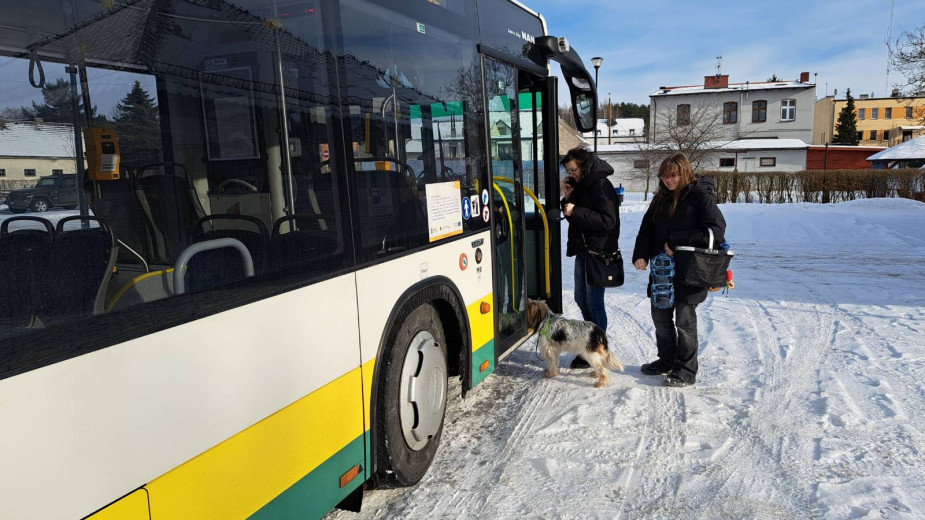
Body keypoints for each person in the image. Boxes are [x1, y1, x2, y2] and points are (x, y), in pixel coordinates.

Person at [632, 153, 726, 387]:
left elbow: (714, 232)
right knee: (660, 318)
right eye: (664, 177)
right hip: (662, 271)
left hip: (690, 272)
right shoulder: (660, 199)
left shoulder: (700, 197)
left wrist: (677, 241)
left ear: (684, 173)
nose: (668, 181)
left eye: (673, 176)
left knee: (684, 322)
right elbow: (646, 230)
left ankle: (686, 370)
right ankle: (667, 360)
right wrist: (640, 254)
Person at [560, 146, 620, 369]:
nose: (572, 174)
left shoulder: (601, 185)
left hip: (599, 252)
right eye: (569, 170)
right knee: (580, 298)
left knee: (594, 302)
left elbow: (608, 221)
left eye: (574, 170)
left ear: (585, 165)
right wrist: (568, 198)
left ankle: (597, 349)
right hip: (585, 250)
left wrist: (575, 209)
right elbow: (576, 218)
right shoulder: (584, 186)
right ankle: (590, 342)